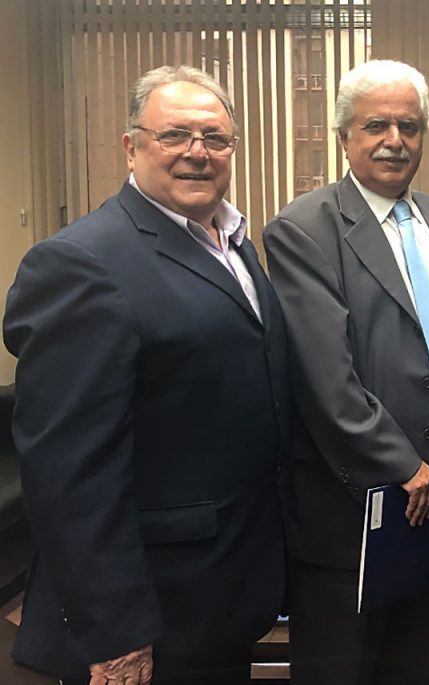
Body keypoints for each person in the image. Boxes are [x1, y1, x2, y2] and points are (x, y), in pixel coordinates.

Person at [3, 65, 289, 684]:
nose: (197, 152)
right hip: (150, 612)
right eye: (174, 135)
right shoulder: (82, 263)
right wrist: (117, 631)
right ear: (131, 147)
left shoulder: (233, 242)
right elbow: (69, 472)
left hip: (223, 585)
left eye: (215, 138)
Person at [262, 59, 429, 684]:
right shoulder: (303, 230)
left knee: (417, 662)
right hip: (353, 505)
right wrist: (400, 465)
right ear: (344, 137)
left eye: (409, 126)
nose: (395, 140)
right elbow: (325, 378)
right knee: (342, 667)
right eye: (376, 126)